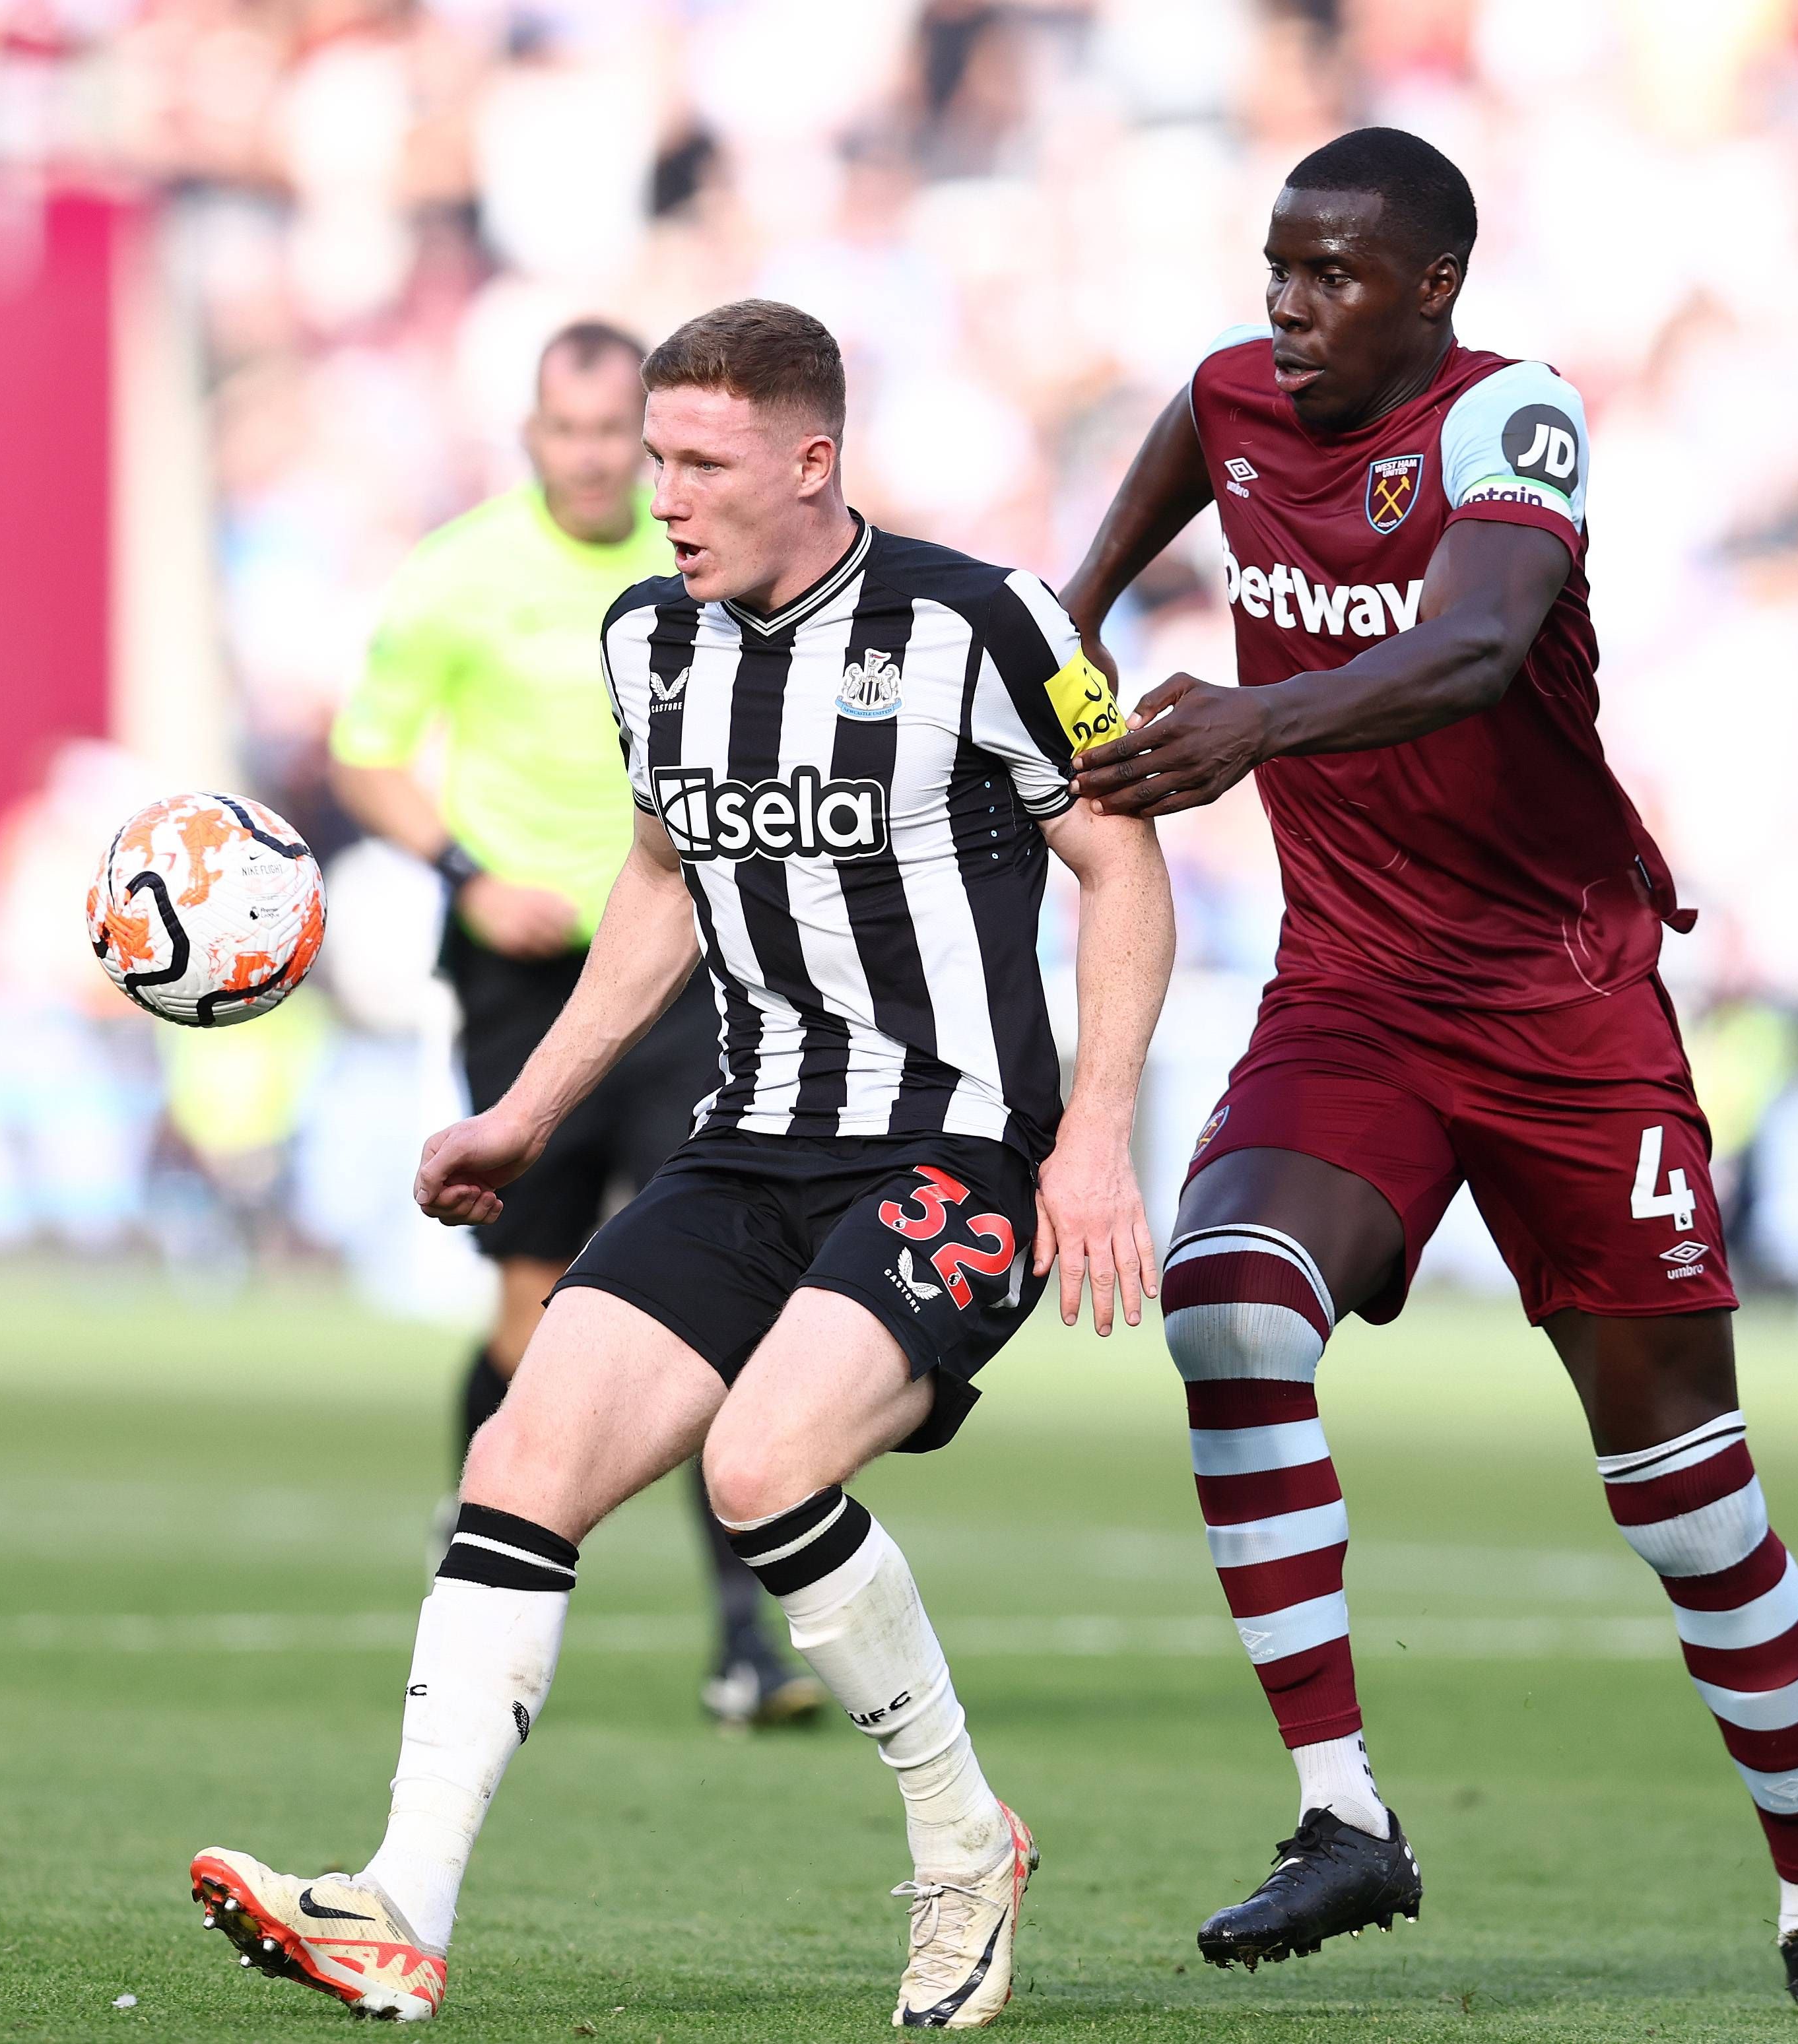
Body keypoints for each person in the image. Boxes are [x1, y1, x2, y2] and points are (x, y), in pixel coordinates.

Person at [192, 299, 1176, 2029]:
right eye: (653, 459)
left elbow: (1123, 862)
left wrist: (1093, 1138)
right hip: (750, 1142)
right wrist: (531, 1112)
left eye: (699, 463)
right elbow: (661, 876)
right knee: (520, 1456)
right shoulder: (652, 640)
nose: (664, 497)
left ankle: (962, 1846)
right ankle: (399, 1905)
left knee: (761, 1461)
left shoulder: (982, 625)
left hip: (952, 1152)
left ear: (812, 461)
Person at [1056, 129, 1798, 2024]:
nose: (1286, 306)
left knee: (1685, 1495)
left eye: (1332, 275)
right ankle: (1339, 1811)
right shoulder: (1226, 397)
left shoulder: (1508, 416)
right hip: (1352, 995)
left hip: (1563, 1013)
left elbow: (1475, 644)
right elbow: (1100, 565)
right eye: (1276, 266)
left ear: (1430, 287)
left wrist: (1249, 723)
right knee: (1223, 1301)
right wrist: (1048, 652)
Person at [329, 319, 821, 1729]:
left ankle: (745, 1645)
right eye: (578, 434)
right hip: (520, 973)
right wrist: (470, 882)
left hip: (686, 972)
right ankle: (473, 1528)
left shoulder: (708, 562)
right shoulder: (459, 574)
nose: (606, 462)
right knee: (531, 1306)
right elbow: (369, 755)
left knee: (711, 1297)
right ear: (534, 437)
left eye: (629, 437)